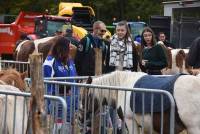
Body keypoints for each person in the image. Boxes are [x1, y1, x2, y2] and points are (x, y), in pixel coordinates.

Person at [43, 36, 79, 131]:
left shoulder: (70, 61)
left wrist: (76, 100)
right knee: (59, 126)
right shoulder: (50, 61)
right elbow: (46, 82)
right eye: (69, 46)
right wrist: (50, 101)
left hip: (71, 100)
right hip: (58, 100)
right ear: (62, 47)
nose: (71, 48)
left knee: (69, 126)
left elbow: (74, 78)